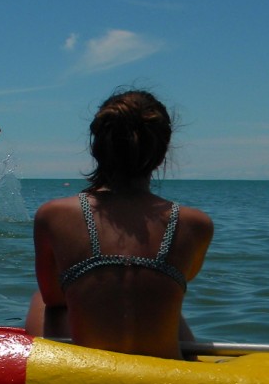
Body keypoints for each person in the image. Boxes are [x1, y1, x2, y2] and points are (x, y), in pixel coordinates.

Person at [24, 89, 213, 359]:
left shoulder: (53, 214)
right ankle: (194, 366)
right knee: (165, 298)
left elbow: (54, 298)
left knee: (41, 300)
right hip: (168, 378)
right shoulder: (196, 223)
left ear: (96, 148)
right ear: (162, 154)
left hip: (92, 374)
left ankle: (49, 372)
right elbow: (185, 277)